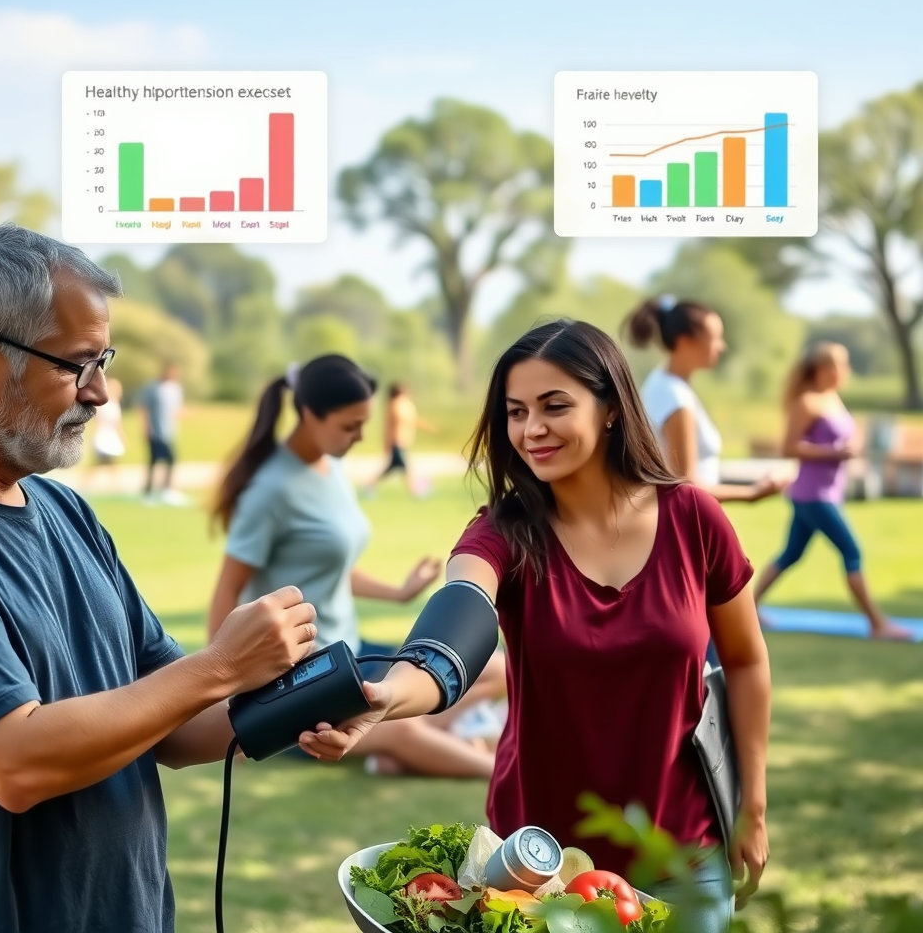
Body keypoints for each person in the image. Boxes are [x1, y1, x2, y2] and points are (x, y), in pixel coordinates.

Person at [0, 223, 319, 932]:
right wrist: (221, 665)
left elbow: (173, 726)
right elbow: (14, 762)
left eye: (105, 360)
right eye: (78, 364)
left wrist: (310, 703)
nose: (99, 393)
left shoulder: (67, 512)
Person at [301, 320, 771, 932]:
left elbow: (746, 659)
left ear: (609, 409)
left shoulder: (694, 518)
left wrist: (753, 805)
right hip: (534, 872)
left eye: (555, 407)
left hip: (682, 856)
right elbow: (461, 613)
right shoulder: (501, 531)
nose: (531, 430)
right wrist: (389, 694)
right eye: (516, 412)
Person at [207, 355, 506, 777]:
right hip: (302, 677)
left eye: (365, 423)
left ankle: (404, 753)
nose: (362, 436)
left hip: (350, 651)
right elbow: (227, 590)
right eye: (350, 426)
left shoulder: (331, 468)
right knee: (404, 732)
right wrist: (224, 685)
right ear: (309, 415)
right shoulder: (270, 491)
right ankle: (493, 768)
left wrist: (398, 593)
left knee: (494, 668)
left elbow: (329, 566)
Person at [753, 341, 911, 640]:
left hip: (824, 493)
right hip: (814, 496)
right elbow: (789, 446)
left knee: (790, 554)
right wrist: (834, 453)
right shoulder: (808, 402)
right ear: (825, 369)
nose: (847, 371)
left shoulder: (833, 399)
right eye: (843, 365)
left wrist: (849, 449)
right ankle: (878, 624)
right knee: (852, 551)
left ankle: (749, 609)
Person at [624, 294, 788, 503]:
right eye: (715, 338)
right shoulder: (674, 397)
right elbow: (686, 486)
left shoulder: (666, 384)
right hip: (689, 521)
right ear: (685, 342)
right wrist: (753, 493)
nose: (722, 346)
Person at [363, 381, 435, 496]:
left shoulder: (403, 404)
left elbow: (412, 419)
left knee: (393, 468)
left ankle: (370, 485)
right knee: (407, 468)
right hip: (398, 443)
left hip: (402, 443)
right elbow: (405, 419)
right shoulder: (396, 405)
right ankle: (416, 491)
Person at [138, 362, 185, 503]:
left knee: (171, 460)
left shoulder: (176, 389)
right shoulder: (153, 388)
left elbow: (176, 410)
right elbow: (144, 408)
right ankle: (148, 492)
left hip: (169, 432)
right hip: (155, 431)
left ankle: (166, 489)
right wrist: (146, 427)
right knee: (154, 461)